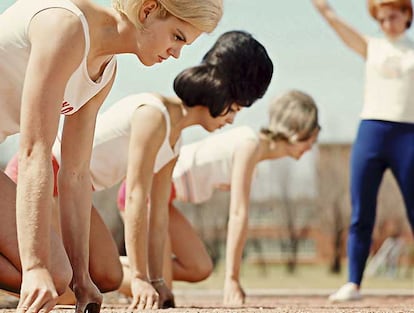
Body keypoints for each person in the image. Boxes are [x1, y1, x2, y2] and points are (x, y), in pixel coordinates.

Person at [5, 30, 273, 309]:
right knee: (64, 284)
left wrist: (156, 280)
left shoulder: (175, 141)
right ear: (219, 94)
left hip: (72, 192)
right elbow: (134, 198)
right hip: (42, 179)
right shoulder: (154, 114)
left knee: (109, 277)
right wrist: (140, 278)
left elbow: (157, 215)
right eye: (234, 110)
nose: (231, 121)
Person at [117, 89, 320, 306]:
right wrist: (232, 279)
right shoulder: (249, 144)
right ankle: (105, 268)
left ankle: (128, 265)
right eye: (311, 138)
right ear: (297, 131)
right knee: (161, 296)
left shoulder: (253, 156)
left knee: (199, 268)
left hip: (162, 201)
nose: (310, 147)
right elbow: (238, 213)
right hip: (144, 194)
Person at [311, 0, 414, 302]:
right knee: (361, 210)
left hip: (408, 134)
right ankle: (353, 283)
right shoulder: (371, 46)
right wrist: (323, 8)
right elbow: (335, 23)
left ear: (407, 15)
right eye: (381, 20)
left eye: (392, 17)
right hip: (371, 132)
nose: (386, 24)